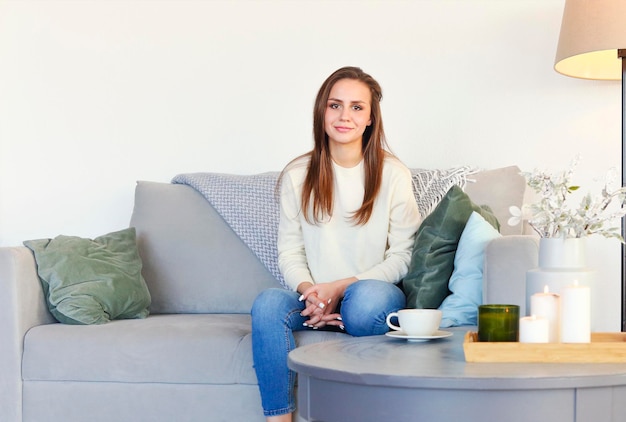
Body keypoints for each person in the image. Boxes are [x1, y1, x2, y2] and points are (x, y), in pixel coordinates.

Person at [251, 66, 421, 422]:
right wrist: (312, 292)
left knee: (364, 305)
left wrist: (340, 289)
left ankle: (345, 318)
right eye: (335, 105)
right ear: (321, 112)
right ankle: (280, 418)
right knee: (267, 305)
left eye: (357, 107)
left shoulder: (393, 174)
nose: (345, 116)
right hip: (313, 300)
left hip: (368, 294)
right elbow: (290, 250)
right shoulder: (298, 174)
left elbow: (404, 255)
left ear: (371, 118)